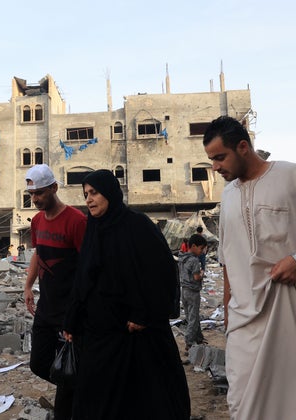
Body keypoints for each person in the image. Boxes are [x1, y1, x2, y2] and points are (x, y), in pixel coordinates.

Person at [203, 115, 296, 419]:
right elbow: (228, 259)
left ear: (243, 147)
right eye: (211, 160)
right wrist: (229, 312)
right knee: (245, 400)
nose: (215, 167)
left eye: (220, 157)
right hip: (247, 320)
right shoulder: (228, 196)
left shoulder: (293, 176)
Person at [64, 169, 190, 419]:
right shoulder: (93, 229)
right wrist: (72, 318)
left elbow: (161, 271)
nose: (88, 199)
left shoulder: (137, 225)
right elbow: (84, 279)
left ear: (110, 192)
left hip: (135, 332)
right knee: (96, 399)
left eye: (94, 193)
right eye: (86, 194)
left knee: (144, 398)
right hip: (100, 333)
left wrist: (143, 314)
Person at [23, 164, 86, 420]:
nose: (35, 199)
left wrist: (80, 311)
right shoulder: (37, 221)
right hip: (46, 307)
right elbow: (38, 255)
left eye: (39, 193)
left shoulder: (77, 221)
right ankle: (80, 386)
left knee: (66, 375)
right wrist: (28, 286)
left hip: (69, 311)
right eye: (31, 194)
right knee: (39, 363)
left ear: (54, 188)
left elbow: (87, 268)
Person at [179, 233, 208, 352]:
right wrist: (202, 273)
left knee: (191, 316)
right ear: (194, 246)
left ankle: (198, 337)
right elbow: (196, 277)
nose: (202, 251)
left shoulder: (182, 258)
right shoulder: (194, 260)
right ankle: (189, 343)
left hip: (184, 291)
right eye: (201, 248)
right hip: (193, 292)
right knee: (193, 318)